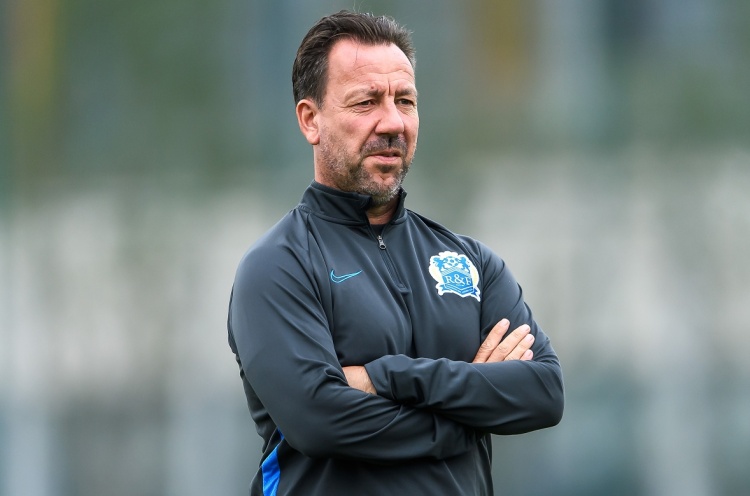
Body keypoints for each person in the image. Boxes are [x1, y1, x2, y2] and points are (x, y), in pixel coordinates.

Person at [227, 10, 564, 496]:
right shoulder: (279, 266)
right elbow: (321, 422)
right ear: (310, 120)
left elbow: (543, 393)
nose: (392, 122)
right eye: (366, 102)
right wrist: (468, 414)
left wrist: (383, 376)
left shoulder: (472, 262)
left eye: (404, 100)